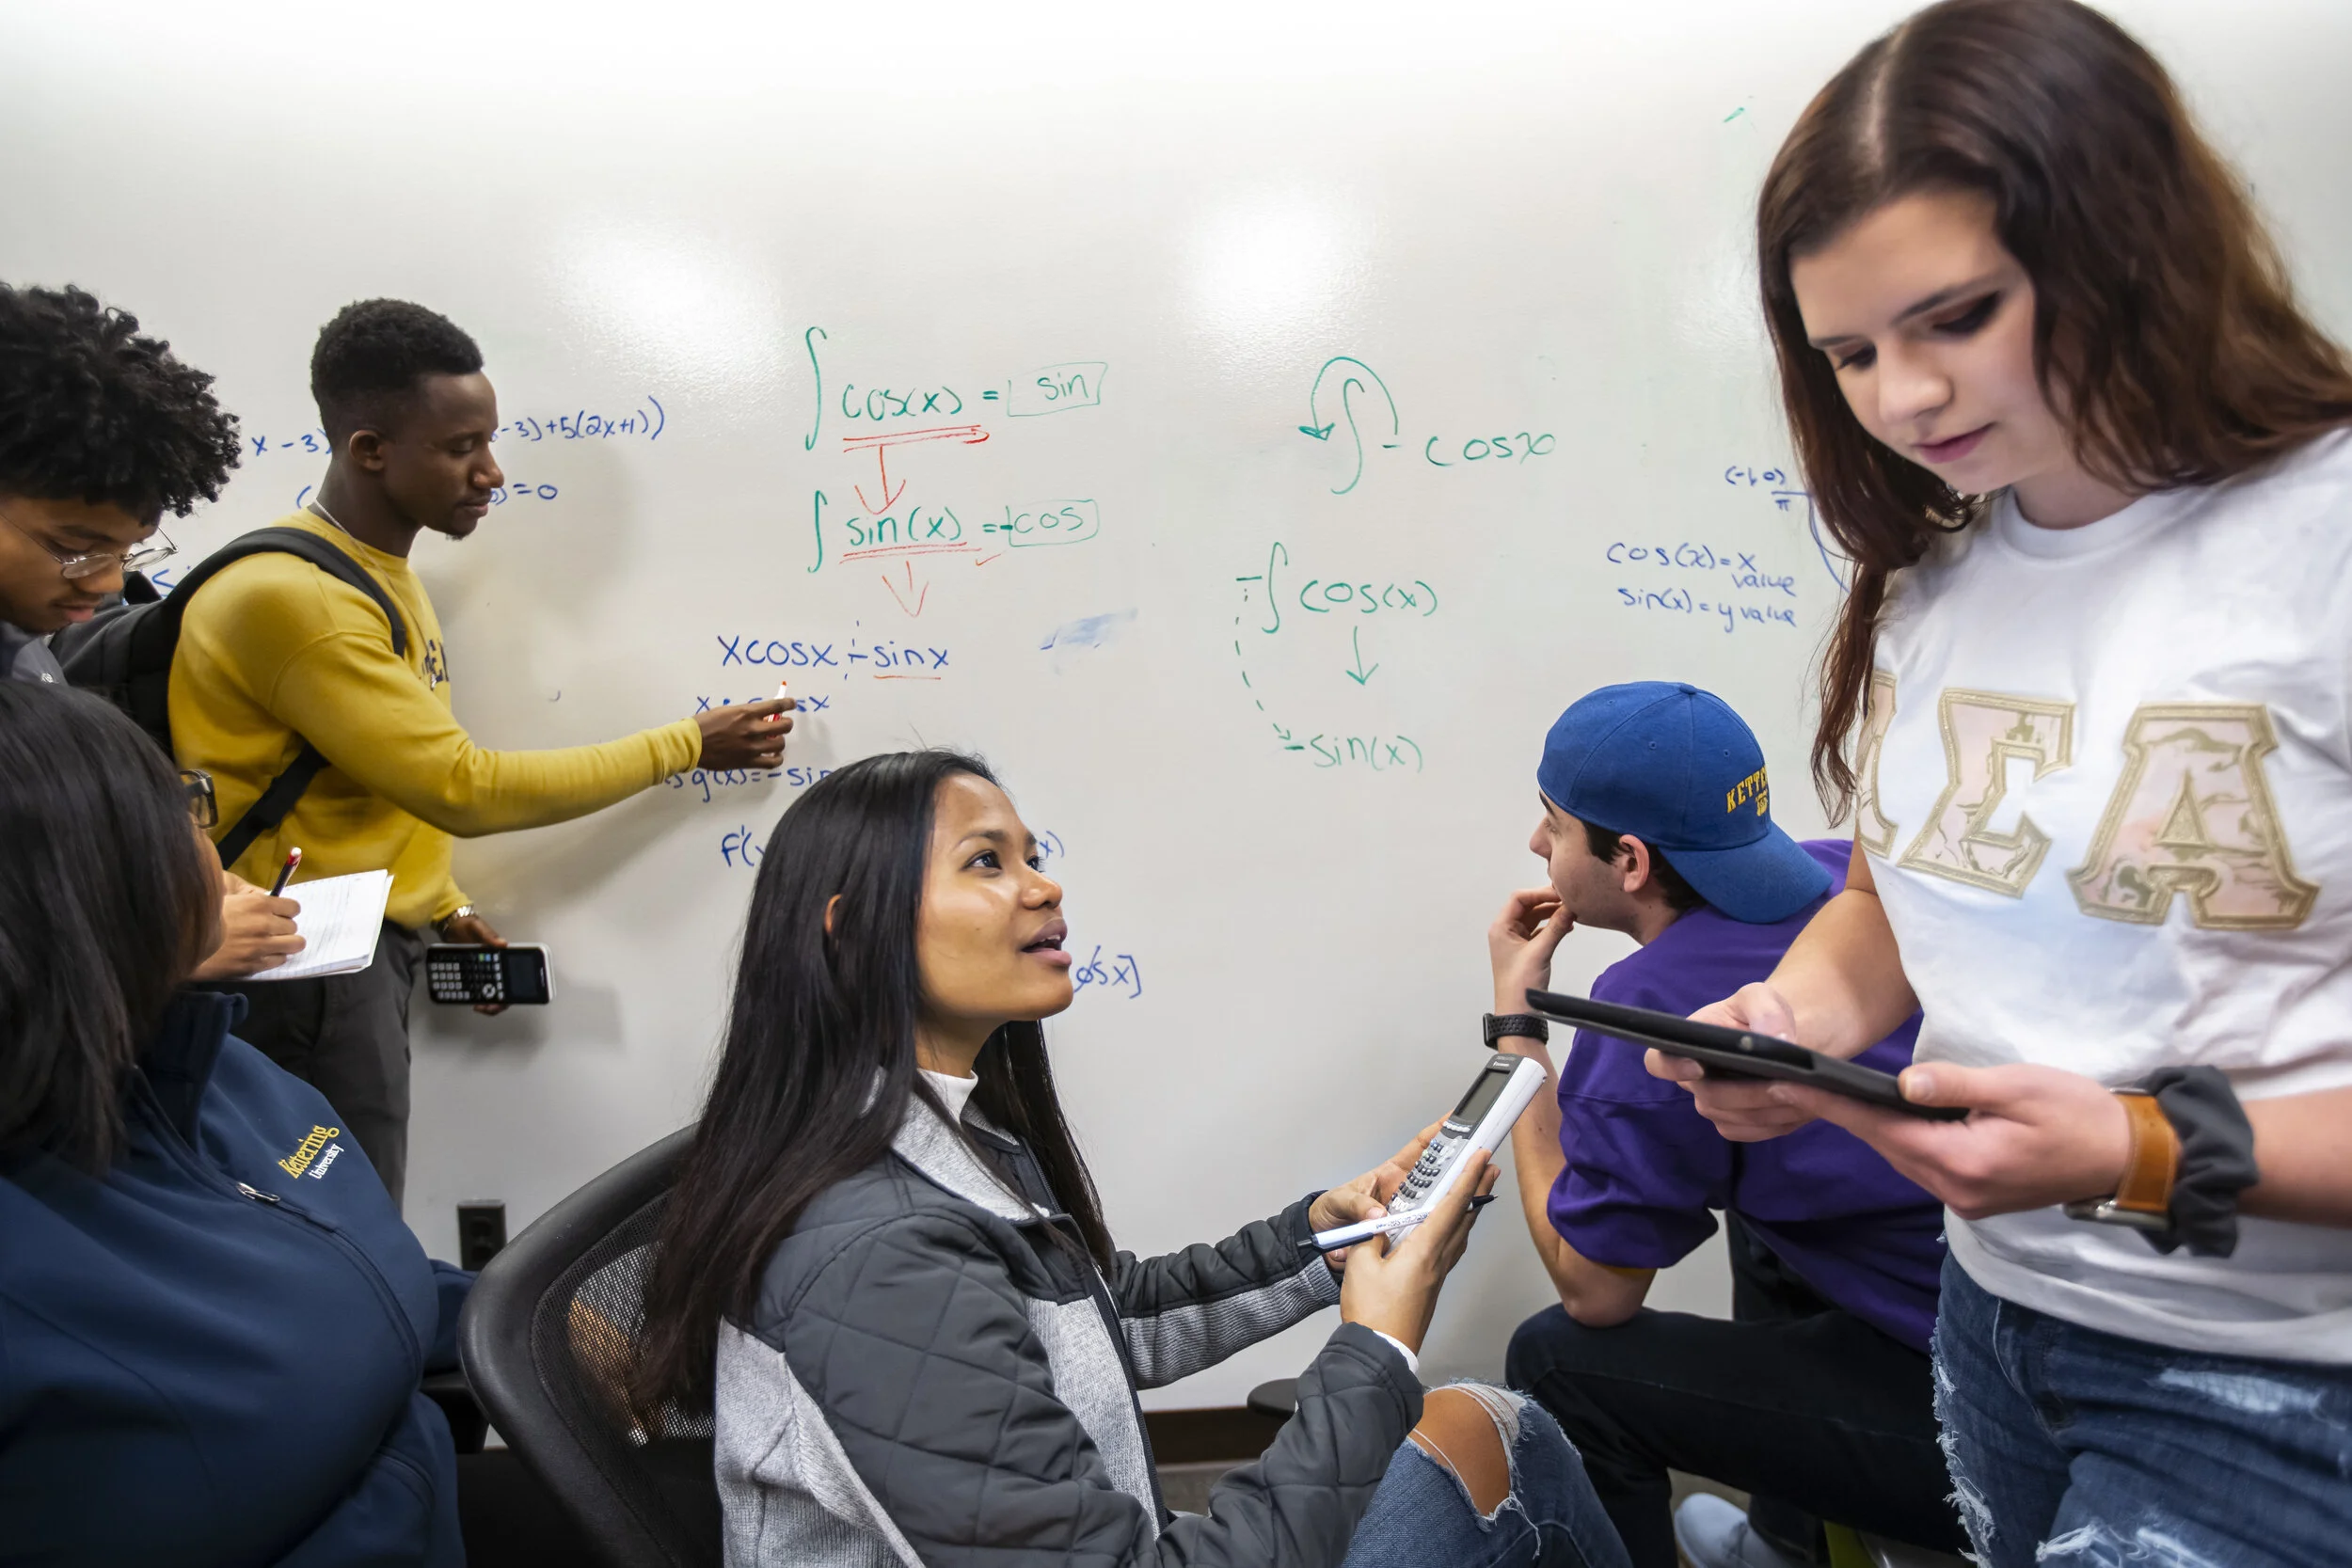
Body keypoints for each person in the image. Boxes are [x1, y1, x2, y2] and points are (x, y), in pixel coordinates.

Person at [1666, 3, 2352, 1564]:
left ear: (2129, 243)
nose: (1902, 398)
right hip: (1994, 1318)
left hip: (2285, 1375)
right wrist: (1799, 1019)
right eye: (1849, 354)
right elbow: (1897, 895)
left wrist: (2136, 1147)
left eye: (1957, 318)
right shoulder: (1941, 571)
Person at [631, 749, 1631, 1567]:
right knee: (1500, 1439)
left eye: (1032, 855)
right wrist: (1375, 1347)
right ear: (850, 928)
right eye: (986, 862)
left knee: (1484, 1429)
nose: (1044, 885)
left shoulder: (939, 1139)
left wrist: (1325, 1243)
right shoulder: (876, 1253)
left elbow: (1106, 1318)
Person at [169, 297, 794, 1206]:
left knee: (351, 1217)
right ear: (370, 450)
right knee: (338, 1229)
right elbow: (461, 786)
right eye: (461, 446)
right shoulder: (300, 600)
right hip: (302, 972)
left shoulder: (371, 573)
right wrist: (687, 745)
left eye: (489, 441)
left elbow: (375, 778)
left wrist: (441, 903)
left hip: (349, 950)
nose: (491, 471)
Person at [1482, 682, 1961, 1568]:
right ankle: (1782, 1544)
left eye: (1554, 823)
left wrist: (1519, 1027)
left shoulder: (1649, 1011)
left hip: (1974, 1403)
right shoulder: (1836, 878)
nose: (1538, 844)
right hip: (1961, 1290)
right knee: (1749, 1176)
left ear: (1629, 860)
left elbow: (1596, 1290)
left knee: (1557, 1360)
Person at [0, 681, 466, 1565]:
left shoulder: (216, 1068)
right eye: (179, 814)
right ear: (93, 891)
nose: (211, 848)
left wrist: (530, 1316)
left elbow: (356, 1273)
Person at [0, 280, 307, 985]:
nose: (106, 583)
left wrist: (173, 880)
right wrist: (167, 950)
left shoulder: (25, 639)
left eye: (127, 552)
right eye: (75, 548)